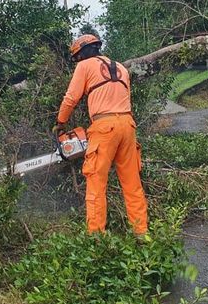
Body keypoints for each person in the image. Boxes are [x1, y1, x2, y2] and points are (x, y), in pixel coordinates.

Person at [54, 34, 149, 239]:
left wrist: (60, 123)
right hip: (128, 125)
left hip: (104, 127)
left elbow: (71, 98)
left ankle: (96, 238)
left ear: (82, 53)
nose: (78, 60)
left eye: (78, 56)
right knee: (132, 184)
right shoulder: (121, 68)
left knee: (96, 183)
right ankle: (141, 233)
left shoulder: (85, 66)